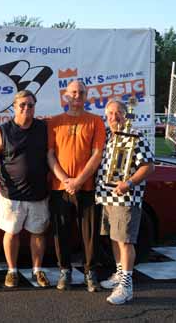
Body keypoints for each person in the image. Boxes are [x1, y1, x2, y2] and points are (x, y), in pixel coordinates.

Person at [0, 90, 50, 288]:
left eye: (30, 105)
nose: (26, 108)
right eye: (22, 105)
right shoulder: (2, 131)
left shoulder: (43, 128)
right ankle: (12, 270)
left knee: (38, 233)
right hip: (11, 196)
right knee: (11, 233)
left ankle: (37, 270)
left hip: (38, 194)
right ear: (14, 106)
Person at [47, 80, 106, 292]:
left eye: (81, 92)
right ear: (66, 96)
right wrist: (65, 180)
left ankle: (90, 273)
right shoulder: (53, 122)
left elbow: (97, 154)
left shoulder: (96, 121)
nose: (77, 96)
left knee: (89, 235)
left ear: (86, 96)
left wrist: (79, 181)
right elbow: (50, 154)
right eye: (73, 92)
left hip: (87, 188)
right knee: (61, 232)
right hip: (59, 188)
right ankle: (65, 272)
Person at [96, 99, 155, 305]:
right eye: (110, 114)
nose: (114, 117)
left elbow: (148, 166)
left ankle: (127, 285)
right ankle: (119, 275)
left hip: (126, 198)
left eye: (118, 113)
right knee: (114, 238)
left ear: (126, 115)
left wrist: (128, 183)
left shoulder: (135, 137)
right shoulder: (109, 138)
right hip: (107, 197)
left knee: (125, 241)